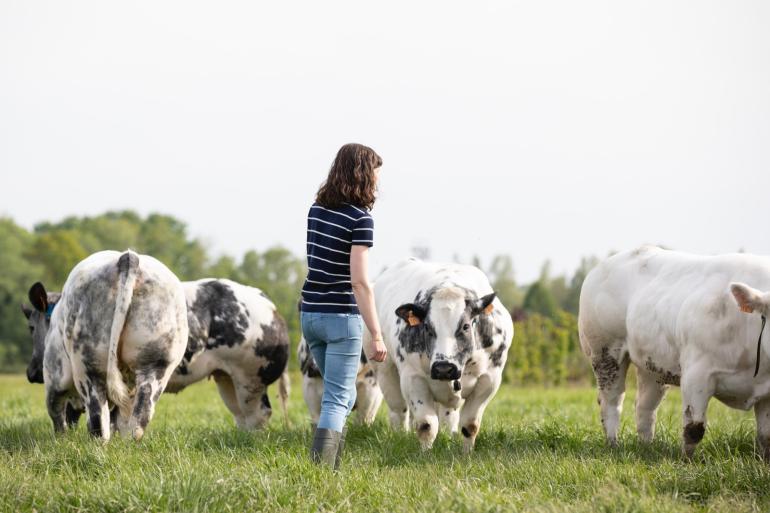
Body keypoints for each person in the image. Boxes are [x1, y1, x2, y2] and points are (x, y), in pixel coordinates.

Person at [300, 143, 388, 469]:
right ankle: (322, 473)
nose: (378, 183)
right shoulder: (360, 219)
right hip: (341, 318)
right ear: (364, 175)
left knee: (342, 395)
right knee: (338, 398)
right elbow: (361, 283)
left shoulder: (315, 210)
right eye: (376, 175)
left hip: (310, 313)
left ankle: (328, 460)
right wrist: (376, 335)